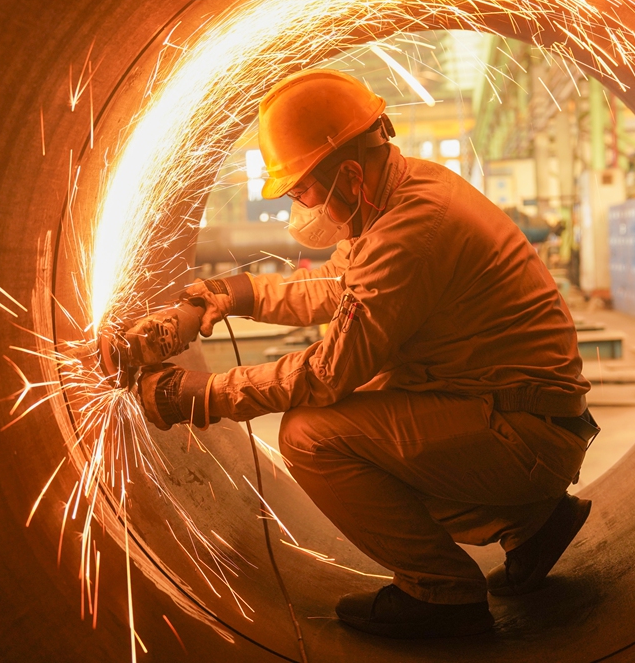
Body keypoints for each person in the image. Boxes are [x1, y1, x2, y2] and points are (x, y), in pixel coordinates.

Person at [132, 69, 598, 639]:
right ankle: (536, 523)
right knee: (375, 403)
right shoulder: (404, 194)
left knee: (314, 435)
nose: (299, 208)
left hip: (524, 433)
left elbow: (330, 373)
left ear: (350, 174)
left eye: (301, 192)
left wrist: (202, 395)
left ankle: (441, 594)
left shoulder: (410, 232)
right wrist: (237, 294)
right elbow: (341, 285)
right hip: (528, 418)